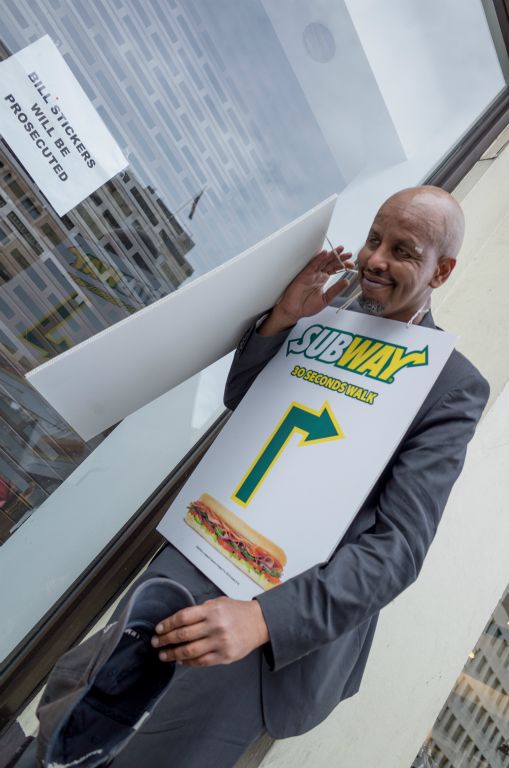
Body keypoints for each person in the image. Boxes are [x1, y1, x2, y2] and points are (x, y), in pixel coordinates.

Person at [24, 186, 489, 768]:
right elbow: (244, 400)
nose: (375, 258)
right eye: (374, 238)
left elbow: (398, 550)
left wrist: (264, 619)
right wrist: (282, 321)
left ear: (440, 272)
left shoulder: (450, 385)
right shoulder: (327, 312)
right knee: (71, 731)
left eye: (403, 250)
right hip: (193, 559)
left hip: (265, 634)